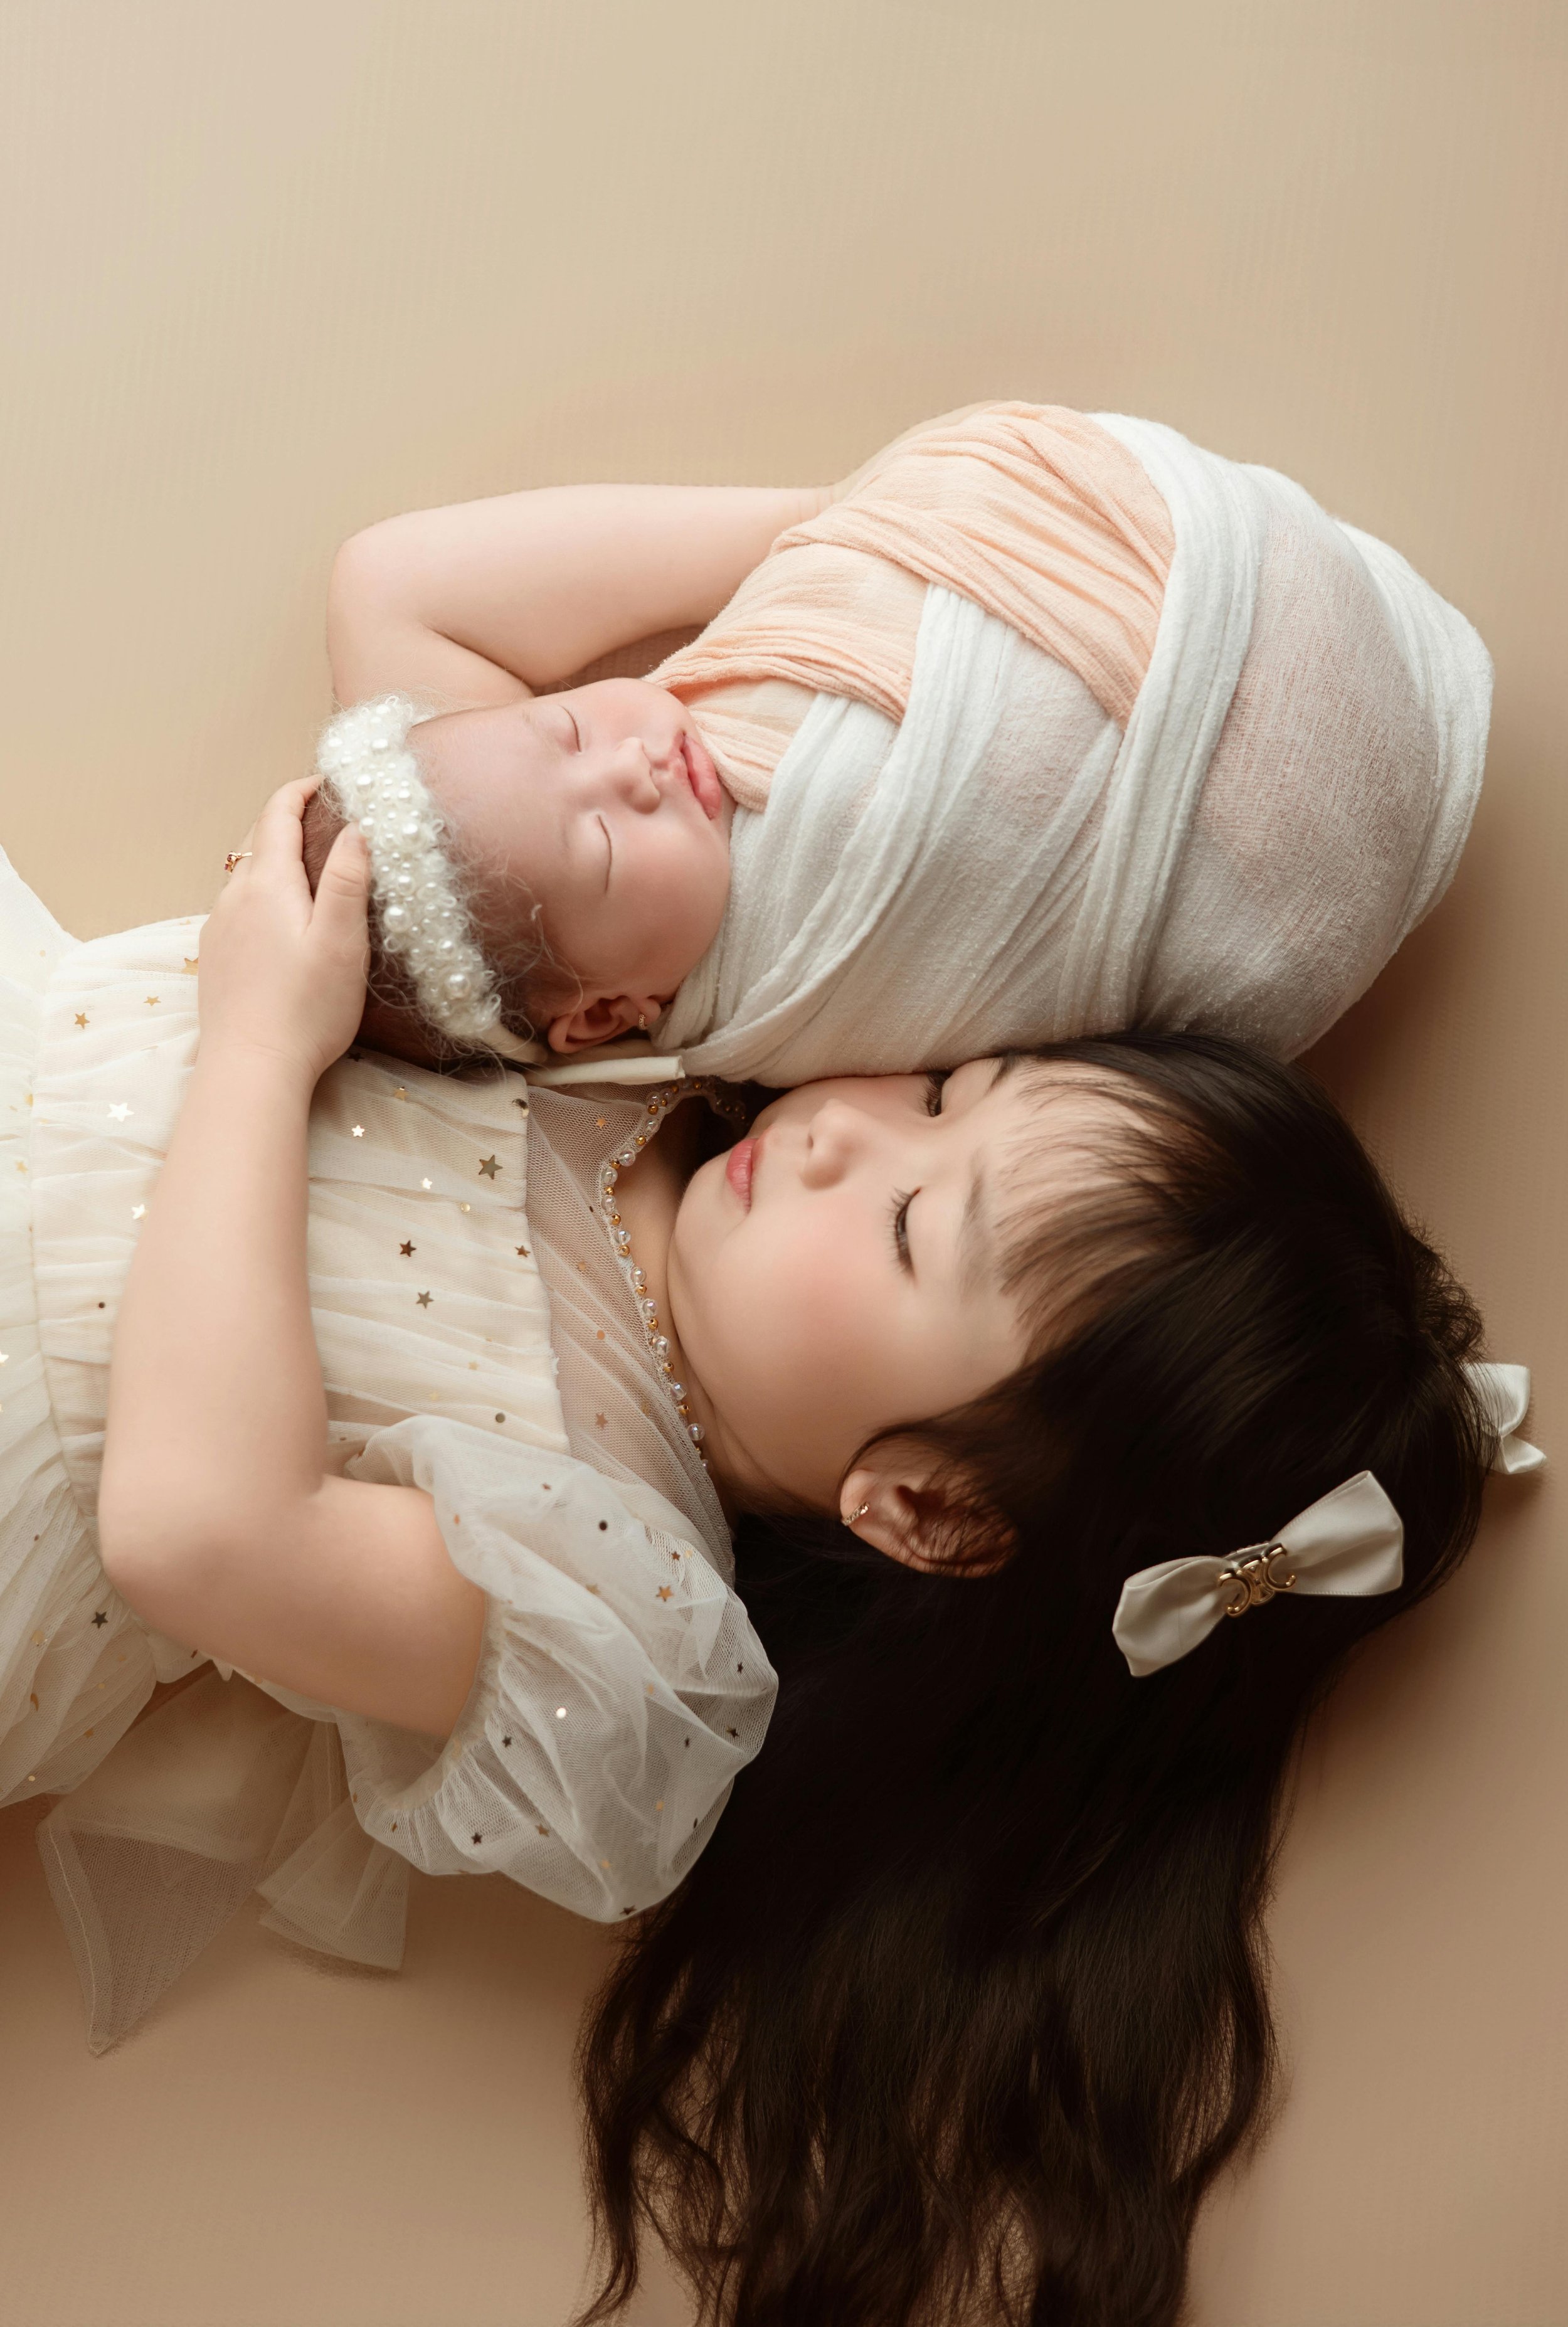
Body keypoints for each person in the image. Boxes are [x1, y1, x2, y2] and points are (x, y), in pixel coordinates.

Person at [13, 773, 1528, 2327]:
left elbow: (197, 1530)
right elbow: (408, 644)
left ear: (927, 1509)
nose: (841, 1140)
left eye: (907, 1233)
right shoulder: (678, 1036)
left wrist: (267, 1045)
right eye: (949, 1090)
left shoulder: (605, 1589)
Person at [318, 398, 1494, 1086]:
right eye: (606, 843)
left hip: (1233, 591)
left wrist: (870, 540)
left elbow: (385, 576)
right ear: (604, 1017)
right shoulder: (776, 1019)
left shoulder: (660, 752)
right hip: (1259, 883)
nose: (628, 764)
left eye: (569, 722)